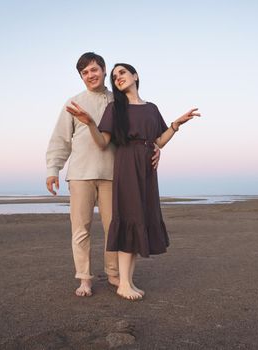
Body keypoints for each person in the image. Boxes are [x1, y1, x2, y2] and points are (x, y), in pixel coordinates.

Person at [67, 63, 200, 300]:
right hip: (127, 165)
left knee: (140, 218)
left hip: (147, 169)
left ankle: (127, 281)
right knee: (128, 218)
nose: (118, 77)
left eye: (123, 73)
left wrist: (175, 126)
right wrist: (89, 123)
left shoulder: (151, 108)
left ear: (135, 76)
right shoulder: (114, 108)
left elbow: (158, 140)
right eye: (115, 75)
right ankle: (123, 284)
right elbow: (102, 142)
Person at [45, 53, 160, 297]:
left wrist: (156, 147)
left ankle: (114, 275)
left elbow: (139, 131)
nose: (90, 75)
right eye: (85, 72)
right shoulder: (74, 102)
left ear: (104, 70)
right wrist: (53, 168)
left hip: (113, 174)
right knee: (81, 228)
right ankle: (84, 278)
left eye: (94, 69)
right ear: (81, 77)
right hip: (80, 173)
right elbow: (61, 139)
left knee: (113, 228)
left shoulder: (118, 100)